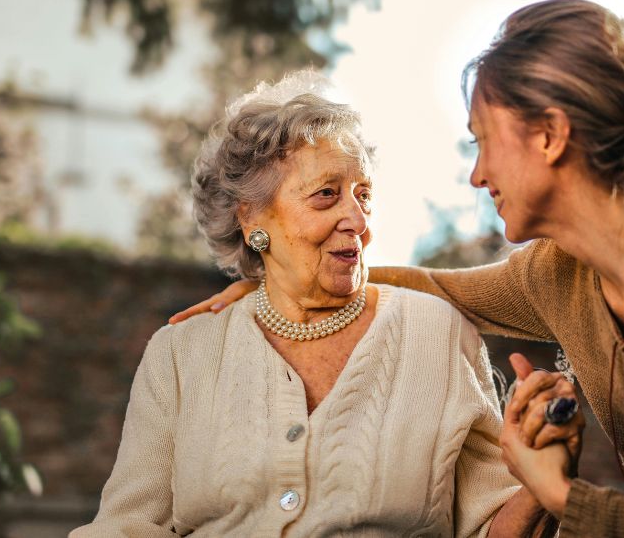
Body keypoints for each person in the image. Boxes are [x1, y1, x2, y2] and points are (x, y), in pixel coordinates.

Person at [169, 0, 624, 536]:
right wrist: (277, 285)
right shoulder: (561, 272)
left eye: (483, 139)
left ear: (549, 135)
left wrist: (562, 497)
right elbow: (435, 286)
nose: (477, 173)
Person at [72, 71, 573, 537]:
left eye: (364, 195)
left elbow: (489, 527)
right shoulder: (181, 355)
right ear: (252, 220)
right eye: (326, 195)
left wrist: (539, 483)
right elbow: (126, 527)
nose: (357, 218)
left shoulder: (436, 333)